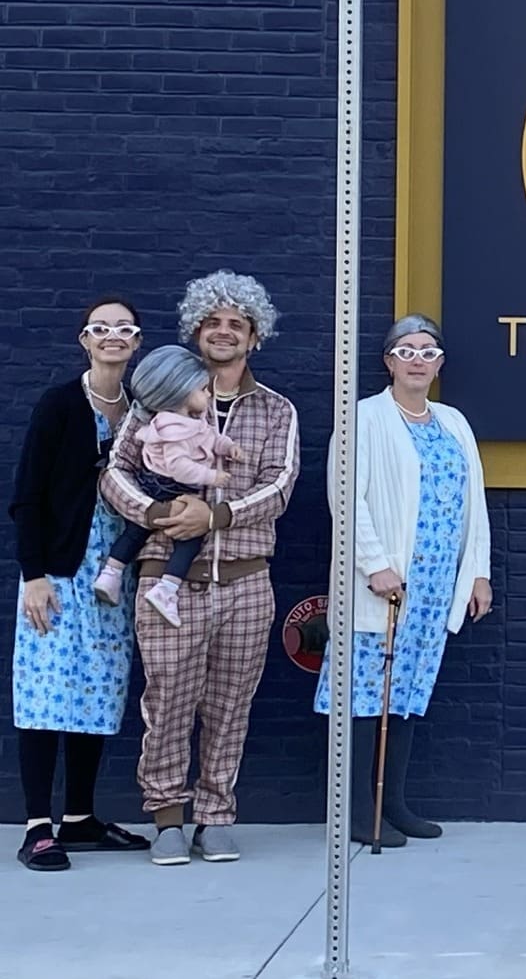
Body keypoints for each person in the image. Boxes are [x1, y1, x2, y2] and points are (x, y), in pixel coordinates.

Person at [101, 271, 298, 868]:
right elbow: (114, 475)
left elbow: (281, 486)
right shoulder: (153, 403)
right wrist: (161, 511)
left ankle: (215, 817)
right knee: (167, 702)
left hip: (245, 581)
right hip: (169, 580)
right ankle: (165, 818)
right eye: (212, 322)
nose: (223, 332)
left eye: (236, 324)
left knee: (230, 705)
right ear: (195, 330)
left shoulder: (276, 410)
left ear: (254, 338)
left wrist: (215, 516)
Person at [315, 315, 493, 847]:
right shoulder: (364, 418)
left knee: (407, 695)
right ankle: (354, 810)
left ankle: (393, 802)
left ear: (440, 365)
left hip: (435, 587)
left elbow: (473, 505)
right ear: (388, 361)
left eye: (428, 351)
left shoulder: (453, 423)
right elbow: (346, 496)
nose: (418, 359)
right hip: (383, 587)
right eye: (406, 350)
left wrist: (477, 573)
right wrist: (374, 565)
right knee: (365, 696)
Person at [9, 298, 150, 870]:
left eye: (124, 329)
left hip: (115, 577)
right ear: (84, 341)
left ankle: (81, 818)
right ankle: (38, 826)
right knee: (45, 694)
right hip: (60, 574)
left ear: (137, 342)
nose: (112, 337)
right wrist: (33, 575)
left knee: (98, 692)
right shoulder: (60, 404)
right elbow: (27, 496)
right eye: (101, 329)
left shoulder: (143, 411)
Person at [93, 346, 243, 629]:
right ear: (181, 393)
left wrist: (230, 447)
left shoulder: (187, 421)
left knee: (135, 532)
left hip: (155, 487)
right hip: (170, 487)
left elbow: (211, 439)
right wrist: (212, 477)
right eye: (202, 389)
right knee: (189, 541)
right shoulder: (174, 429)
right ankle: (167, 590)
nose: (208, 395)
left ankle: (110, 574)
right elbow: (179, 466)